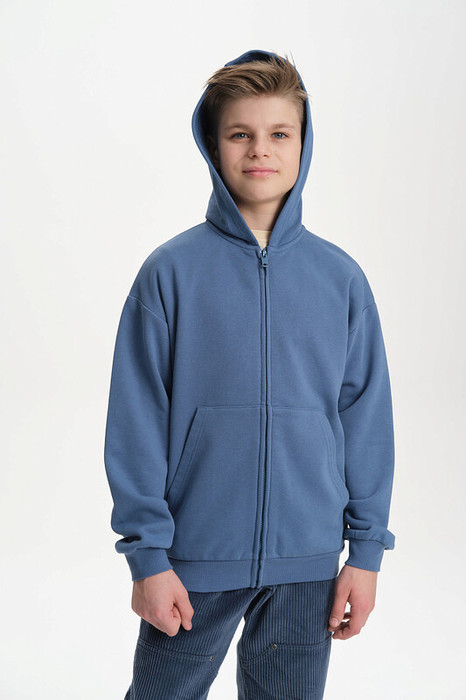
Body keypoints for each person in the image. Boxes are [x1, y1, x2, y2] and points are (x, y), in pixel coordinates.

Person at [103, 48, 396, 699]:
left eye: (279, 134)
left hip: (308, 565)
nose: (260, 149)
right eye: (240, 134)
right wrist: (147, 557)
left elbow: (366, 422)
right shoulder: (170, 273)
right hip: (193, 560)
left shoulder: (341, 280)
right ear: (213, 146)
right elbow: (137, 420)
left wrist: (366, 554)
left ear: (303, 145)